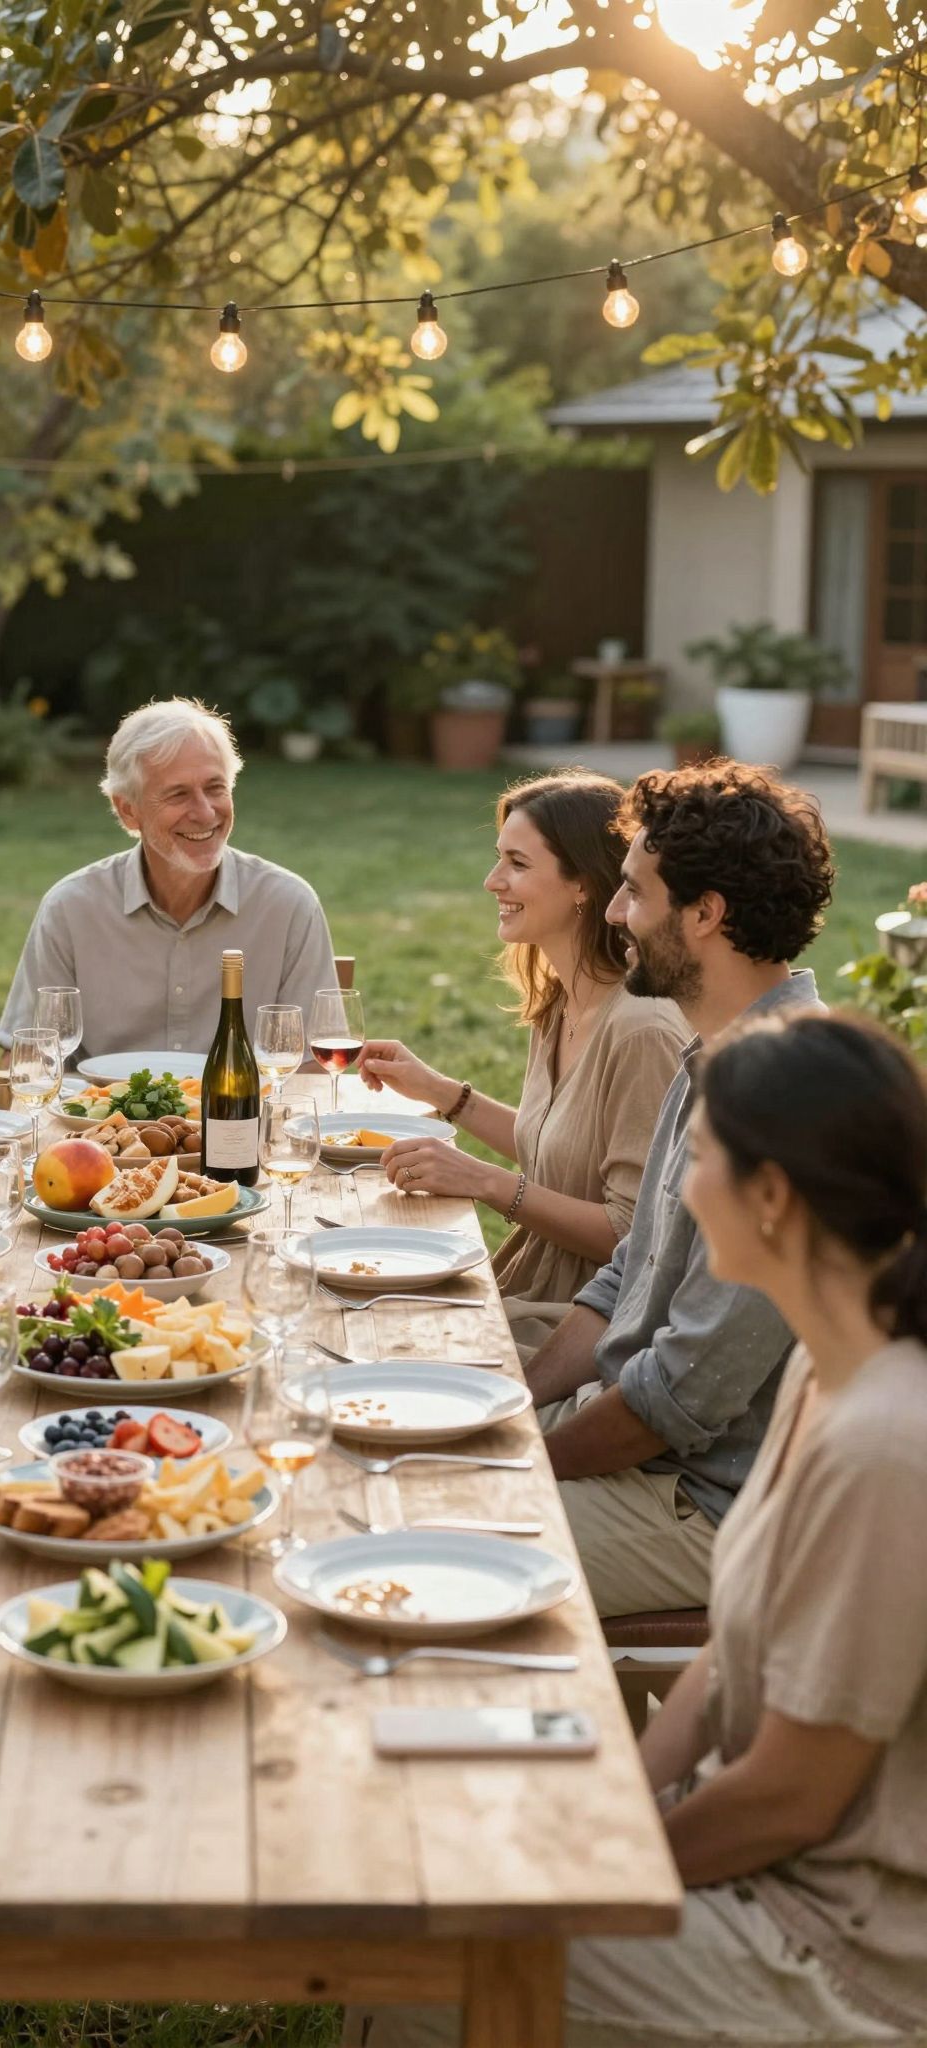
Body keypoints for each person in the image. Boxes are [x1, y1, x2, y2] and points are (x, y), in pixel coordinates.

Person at [348, 1011, 927, 2048]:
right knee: (420, 1831)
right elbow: (722, 1665)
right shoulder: (823, 1366)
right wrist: (614, 1798)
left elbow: (793, 1796)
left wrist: (606, 1863)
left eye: (699, 1158)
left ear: (773, 1197)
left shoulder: (888, 1441)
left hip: (838, 1951)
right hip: (758, 1866)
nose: (680, 1191)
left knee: (424, 1942)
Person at [524, 761, 834, 1617]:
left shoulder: (786, 1103)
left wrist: (515, 1456)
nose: (615, 914)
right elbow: (627, 1274)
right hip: (647, 1456)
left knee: (435, 1524)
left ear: (705, 914)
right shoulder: (714, 1052)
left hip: (707, 1506)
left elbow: (676, 1400)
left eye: (634, 893)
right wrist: (520, 1407)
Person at [360, 773, 685, 1360]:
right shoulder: (562, 1000)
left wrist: (481, 1181)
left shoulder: (643, 1032)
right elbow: (562, 1152)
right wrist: (442, 1092)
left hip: (585, 1322)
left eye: (517, 863)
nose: (493, 881)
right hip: (533, 1284)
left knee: (378, 1335)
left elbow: (634, 1236)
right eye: (497, 859)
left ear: (583, 884)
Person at [0, 698, 336, 1062]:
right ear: (128, 810)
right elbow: (27, 1062)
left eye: (216, 787)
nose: (205, 813)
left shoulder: (288, 906)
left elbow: (310, 1073)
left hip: (241, 1119)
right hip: (100, 1119)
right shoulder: (70, 909)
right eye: (178, 794)